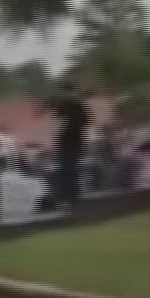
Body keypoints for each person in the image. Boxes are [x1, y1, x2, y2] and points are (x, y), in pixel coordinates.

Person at [45, 80, 91, 210]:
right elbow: (85, 121)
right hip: (71, 142)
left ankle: (71, 198)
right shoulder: (73, 104)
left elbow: (82, 121)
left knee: (68, 170)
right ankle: (71, 198)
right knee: (69, 170)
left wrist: (63, 129)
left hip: (69, 142)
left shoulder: (71, 104)